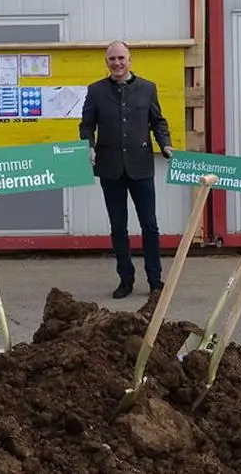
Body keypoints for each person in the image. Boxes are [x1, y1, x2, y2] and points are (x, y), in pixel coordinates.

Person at [79, 40, 173, 299]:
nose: (117, 63)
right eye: (112, 59)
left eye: (121, 58)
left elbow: (158, 122)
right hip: (110, 168)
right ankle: (126, 279)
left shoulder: (147, 88)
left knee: (150, 226)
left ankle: (155, 280)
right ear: (106, 62)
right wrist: (88, 146)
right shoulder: (96, 91)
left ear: (130, 60)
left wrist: (165, 144)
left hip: (141, 167)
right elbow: (86, 125)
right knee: (118, 227)